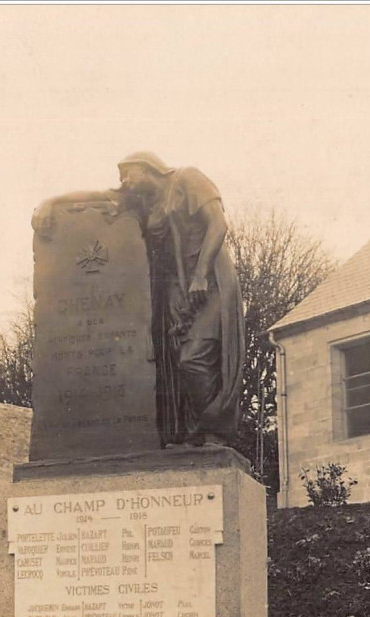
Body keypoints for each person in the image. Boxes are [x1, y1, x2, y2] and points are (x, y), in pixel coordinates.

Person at [32, 152, 245, 448]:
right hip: (175, 287)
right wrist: (50, 202)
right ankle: (192, 435)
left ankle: (216, 433)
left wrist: (201, 275)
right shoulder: (143, 201)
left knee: (194, 357)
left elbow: (218, 225)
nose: (125, 182)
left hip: (209, 280)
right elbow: (96, 195)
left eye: (128, 174)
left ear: (148, 169)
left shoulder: (188, 178)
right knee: (175, 360)